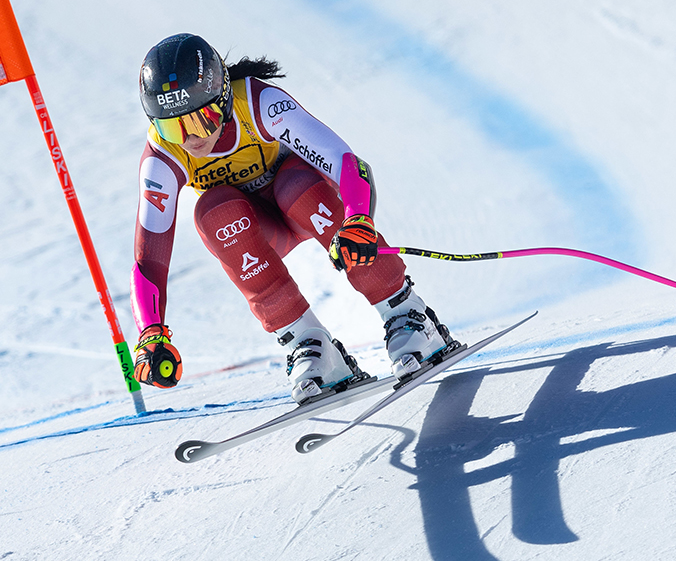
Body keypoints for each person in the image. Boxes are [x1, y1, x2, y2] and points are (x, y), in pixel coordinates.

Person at [130, 33, 452, 404]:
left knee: (294, 185)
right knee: (213, 212)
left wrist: (358, 219)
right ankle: (308, 342)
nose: (189, 139)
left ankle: (406, 311)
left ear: (223, 98)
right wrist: (150, 331)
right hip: (257, 231)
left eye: (201, 121)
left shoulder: (259, 105)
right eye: (172, 127)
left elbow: (346, 163)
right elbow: (149, 255)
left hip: (306, 204)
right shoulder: (163, 155)